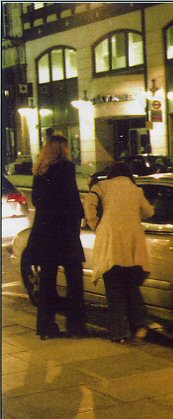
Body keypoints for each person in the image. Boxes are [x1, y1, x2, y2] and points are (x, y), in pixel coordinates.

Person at [84, 161, 155, 343]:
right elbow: (149, 212)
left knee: (114, 289)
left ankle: (120, 333)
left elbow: (89, 202)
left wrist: (94, 223)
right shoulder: (135, 189)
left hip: (111, 242)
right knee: (131, 286)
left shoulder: (102, 186)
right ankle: (139, 325)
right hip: (132, 244)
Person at [26, 134, 87, 340]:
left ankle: (45, 327)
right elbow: (71, 197)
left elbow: (37, 201)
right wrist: (79, 215)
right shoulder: (66, 168)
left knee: (47, 282)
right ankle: (75, 326)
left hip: (45, 233)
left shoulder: (39, 171)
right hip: (64, 233)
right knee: (74, 279)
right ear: (63, 149)